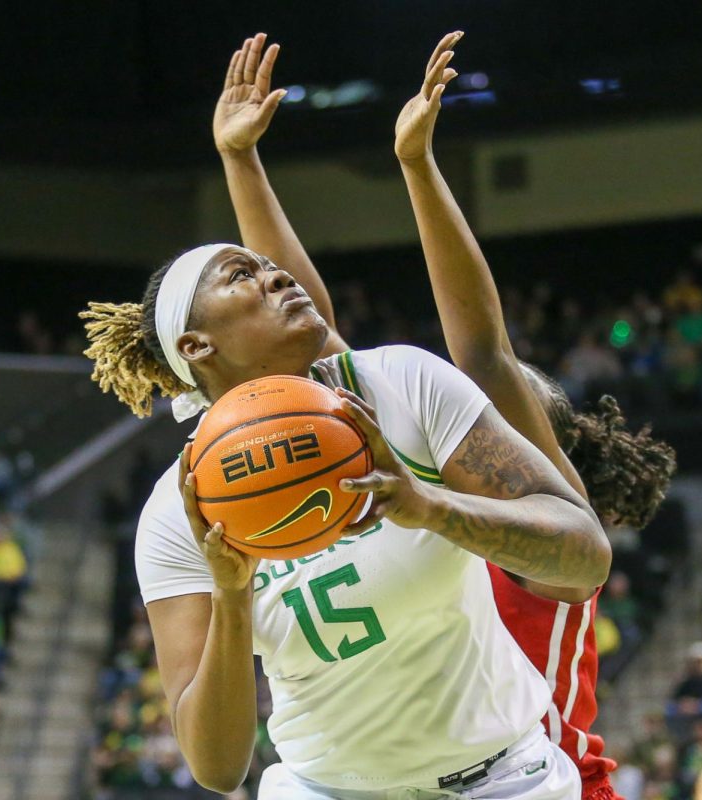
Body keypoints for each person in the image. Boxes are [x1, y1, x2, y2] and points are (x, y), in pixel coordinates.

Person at [81, 39, 612, 799]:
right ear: (196, 346)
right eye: (245, 275)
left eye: (270, 267)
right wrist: (234, 598)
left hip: (501, 779)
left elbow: (584, 558)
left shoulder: (397, 384)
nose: (274, 274)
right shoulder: (180, 513)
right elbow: (217, 766)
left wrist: (431, 507)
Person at [205, 31, 675, 800]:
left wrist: (419, 166)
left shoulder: (541, 533)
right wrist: (242, 162)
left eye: (488, 415)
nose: (467, 414)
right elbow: (316, 360)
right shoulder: (436, 516)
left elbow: (482, 351)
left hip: (542, 778)